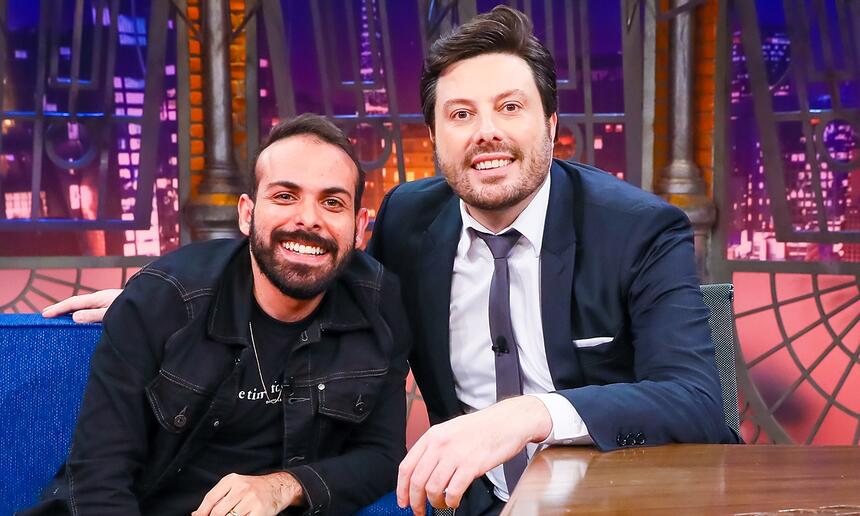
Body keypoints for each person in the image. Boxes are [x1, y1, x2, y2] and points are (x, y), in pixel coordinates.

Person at [44, 6, 739, 516]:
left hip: (632, 501)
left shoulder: (640, 228)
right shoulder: (410, 220)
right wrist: (171, 299)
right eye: (461, 114)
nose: (487, 131)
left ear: (551, 127)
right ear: (435, 137)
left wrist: (531, 415)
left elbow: (697, 402)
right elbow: (318, 262)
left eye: (510, 107)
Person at [28, 114, 410, 516]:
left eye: (332, 202)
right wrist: (143, 302)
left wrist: (285, 487)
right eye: (284, 196)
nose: (309, 219)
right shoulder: (165, 299)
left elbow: (382, 456)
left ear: (359, 226)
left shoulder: (378, 304)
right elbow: (97, 479)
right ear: (246, 214)